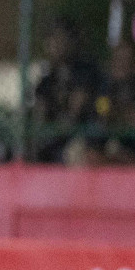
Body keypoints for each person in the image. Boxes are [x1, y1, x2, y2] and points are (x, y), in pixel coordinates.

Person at [31, 18, 102, 162]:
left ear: (72, 41)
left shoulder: (86, 71)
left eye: (61, 38)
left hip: (84, 135)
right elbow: (40, 117)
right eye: (52, 39)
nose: (56, 44)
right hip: (54, 138)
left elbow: (75, 113)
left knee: (74, 153)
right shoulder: (47, 80)